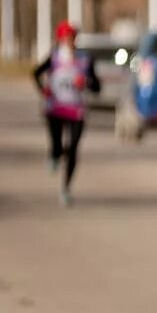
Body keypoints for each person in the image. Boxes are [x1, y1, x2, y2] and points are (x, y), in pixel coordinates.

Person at [33, 21, 101, 208]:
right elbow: (35, 73)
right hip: (55, 109)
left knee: (73, 149)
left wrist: (86, 82)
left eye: (73, 38)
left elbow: (97, 87)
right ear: (61, 39)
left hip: (76, 111)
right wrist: (44, 90)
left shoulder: (85, 60)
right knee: (57, 146)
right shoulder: (54, 58)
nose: (70, 41)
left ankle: (66, 188)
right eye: (67, 38)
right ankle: (54, 154)